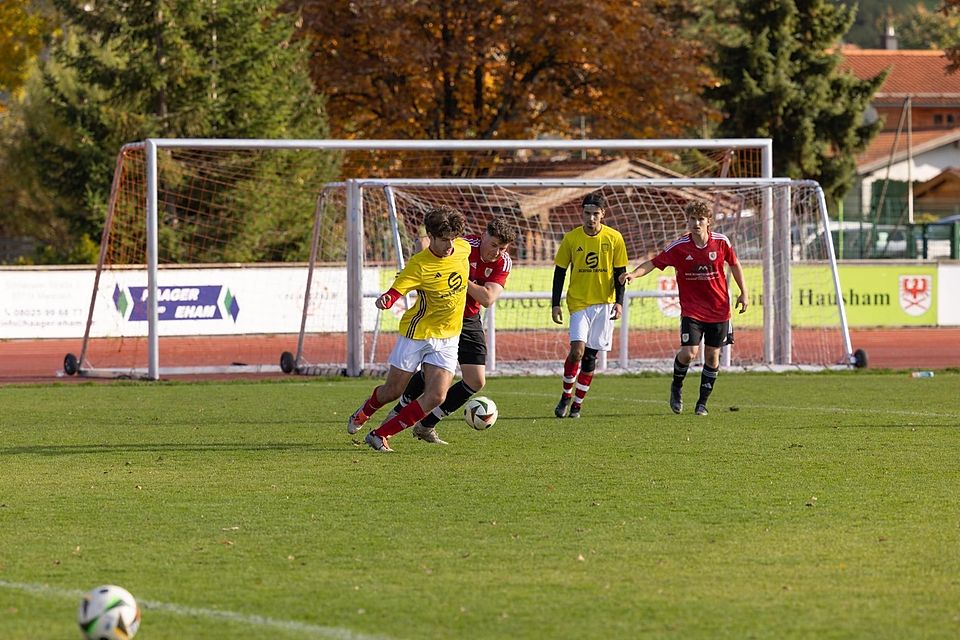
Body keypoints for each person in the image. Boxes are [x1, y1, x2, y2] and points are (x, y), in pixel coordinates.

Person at [346, 205, 471, 452]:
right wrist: (387, 300)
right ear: (431, 238)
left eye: (452, 239)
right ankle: (365, 411)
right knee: (393, 391)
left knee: (437, 396)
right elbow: (395, 291)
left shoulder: (463, 249)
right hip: (417, 334)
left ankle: (380, 435)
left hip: (448, 336)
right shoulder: (419, 265)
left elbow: (474, 245)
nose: (449, 245)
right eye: (444, 240)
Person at [386, 217, 518, 444]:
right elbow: (424, 244)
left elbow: (488, 298)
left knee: (476, 381)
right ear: (483, 235)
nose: (497, 252)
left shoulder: (503, 262)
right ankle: (400, 409)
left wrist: (457, 276)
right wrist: (417, 269)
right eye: (494, 244)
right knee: (432, 373)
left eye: (502, 248)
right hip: (441, 315)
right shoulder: (466, 245)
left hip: (469, 319)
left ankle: (426, 425)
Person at [619, 200, 748, 416]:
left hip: (719, 310)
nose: (696, 223)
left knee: (712, 357)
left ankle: (702, 404)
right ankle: (676, 386)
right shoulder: (679, 247)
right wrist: (633, 274)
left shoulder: (721, 242)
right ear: (687, 221)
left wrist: (744, 292)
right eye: (692, 219)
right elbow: (654, 262)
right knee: (689, 353)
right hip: (692, 311)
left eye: (700, 219)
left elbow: (734, 264)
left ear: (708, 222)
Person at [551, 192, 628, 418]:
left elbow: (620, 273)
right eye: (587, 213)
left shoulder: (615, 238)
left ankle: (578, 403)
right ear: (581, 213)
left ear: (603, 214)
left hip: (604, 304)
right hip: (579, 303)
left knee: (590, 357)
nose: (591, 218)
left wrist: (619, 302)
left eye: (596, 214)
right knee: (577, 352)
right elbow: (560, 272)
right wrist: (555, 304)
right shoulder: (572, 238)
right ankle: (566, 395)